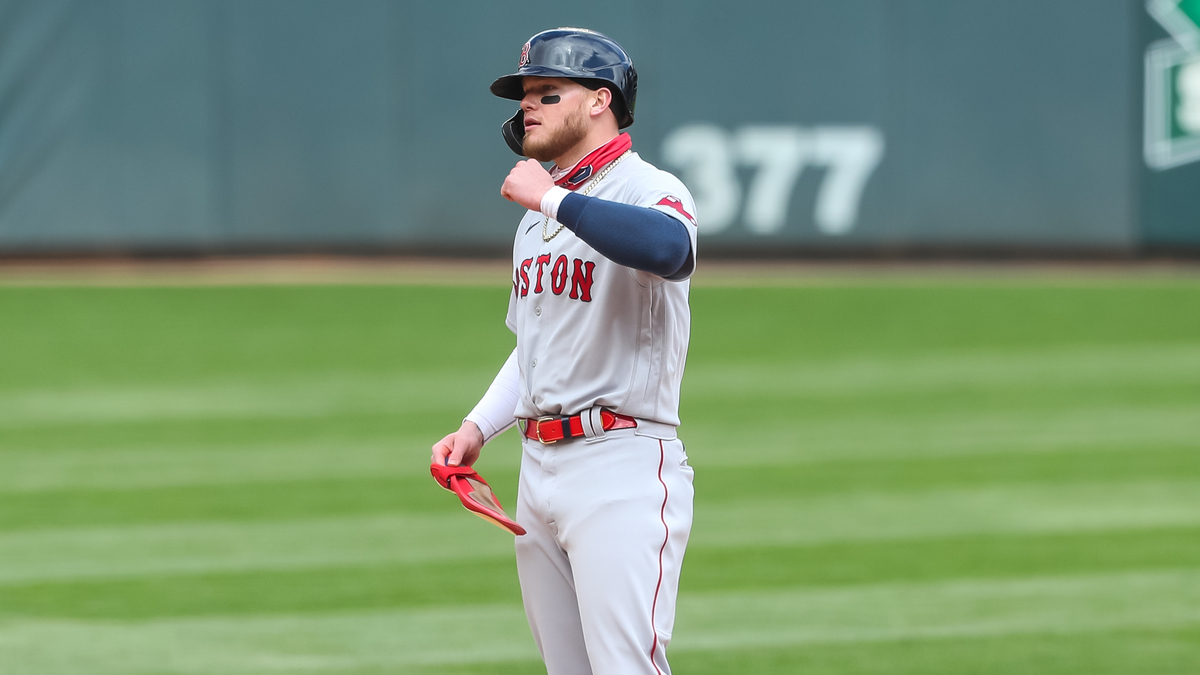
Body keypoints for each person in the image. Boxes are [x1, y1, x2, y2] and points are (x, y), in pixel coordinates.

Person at [431, 27, 698, 675]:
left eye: (549, 92)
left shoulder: (645, 186)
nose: (529, 106)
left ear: (600, 100)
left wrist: (552, 196)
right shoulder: (537, 218)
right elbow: (534, 346)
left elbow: (671, 250)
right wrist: (477, 425)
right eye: (525, 95)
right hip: (539, 470)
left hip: (621, 464)